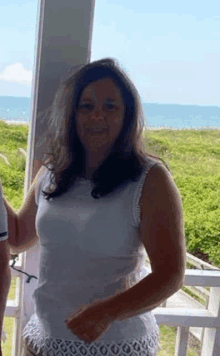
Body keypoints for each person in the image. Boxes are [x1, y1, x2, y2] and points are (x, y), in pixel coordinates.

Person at [1, 57, 186, 356]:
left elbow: (171, 275)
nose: (96, 116)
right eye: (85, 106)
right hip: (45, 339)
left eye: (110, 106)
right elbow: (19, 237)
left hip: (114, 344)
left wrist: (107, 311)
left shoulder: (150, 179)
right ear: (71, 114)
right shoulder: (52, 170)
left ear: (126, 115)